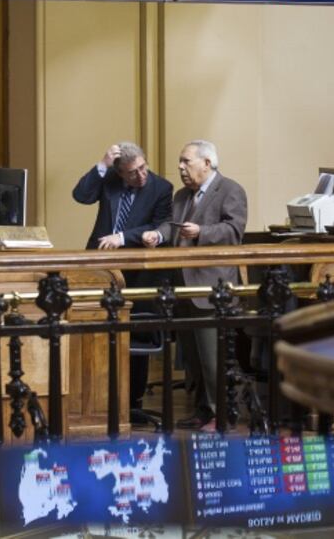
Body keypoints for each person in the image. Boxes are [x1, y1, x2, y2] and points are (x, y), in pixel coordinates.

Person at [142, 139, 247, 431]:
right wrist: (158, 235)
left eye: (186, 161)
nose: (180, 167)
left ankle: (222, 414)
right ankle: (204, 410)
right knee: (194, 359)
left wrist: (202, 232)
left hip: (212, 289)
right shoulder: (181, 196)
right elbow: (171, 225)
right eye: (180, 162)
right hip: (184, 288)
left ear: (207, 163)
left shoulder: (230, 190)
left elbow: (234, 229)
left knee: (213, 358)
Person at [73, 142, 173, 414]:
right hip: (100, 268)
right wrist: (102, 165)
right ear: (120, 172)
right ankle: (95, 401)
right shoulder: (110, 180)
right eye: (132, 173)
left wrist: (122, 238)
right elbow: (81, 195)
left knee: (134, 335)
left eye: (143, 168)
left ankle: (132, 402)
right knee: (94, 330)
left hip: (137, 273)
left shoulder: (161, 188)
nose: (140, 176)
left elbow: (160, 226)